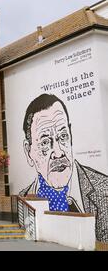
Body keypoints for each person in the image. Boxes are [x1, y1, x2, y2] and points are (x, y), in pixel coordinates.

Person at [20, 94, 108, 242]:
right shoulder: (24, 198)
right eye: (45, 142)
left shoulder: (104, 190)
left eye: (63, 137)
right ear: (29, 152)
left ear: (71, 134)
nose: (58, 153)